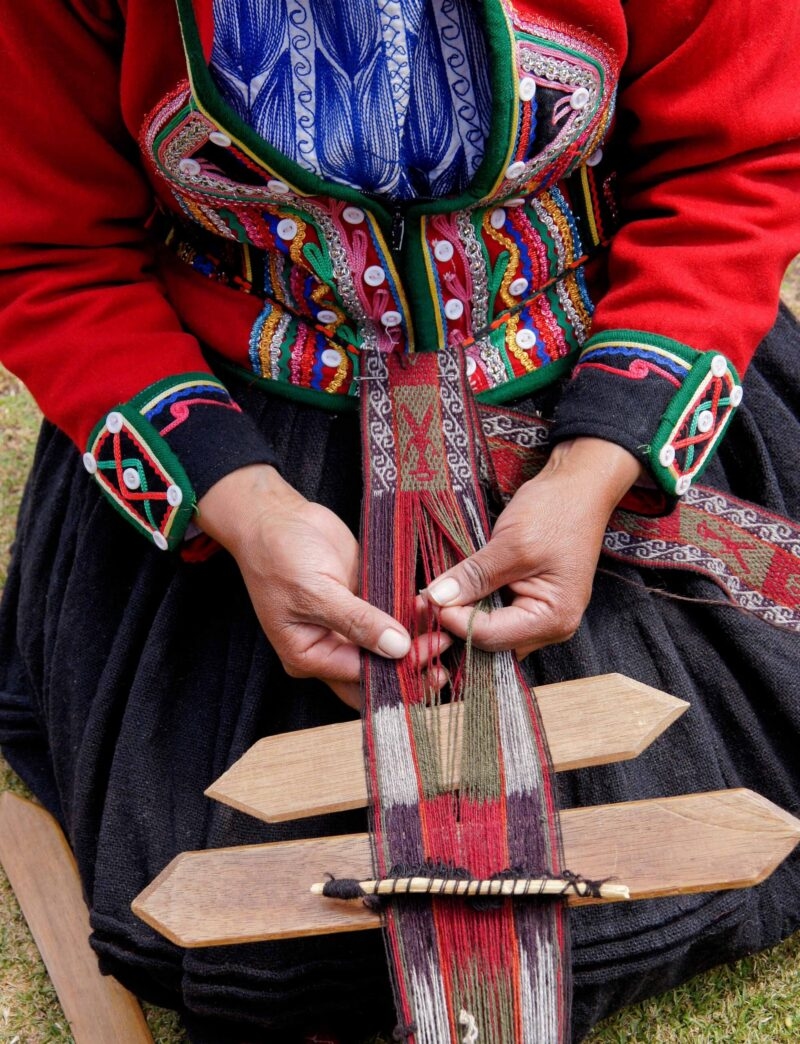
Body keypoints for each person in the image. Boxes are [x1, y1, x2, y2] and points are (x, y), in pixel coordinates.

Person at [0, 1, 799, 1041]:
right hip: (248, 414)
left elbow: (733, 168)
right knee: (272, 940)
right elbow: (48, 251)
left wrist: (598, 463)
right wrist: (241, 506)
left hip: (585, 367)